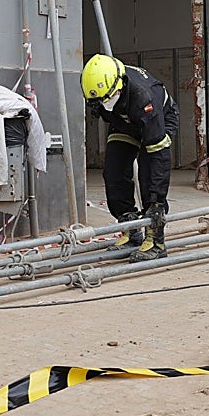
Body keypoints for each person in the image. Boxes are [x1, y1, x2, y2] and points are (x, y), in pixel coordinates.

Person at [81, 54, 179, 261]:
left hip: (156, 119)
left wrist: (157, 203)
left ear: (120, 86)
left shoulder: (144, 97)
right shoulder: (101, 90)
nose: (104, 105)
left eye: (107, 99)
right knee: (114, 171)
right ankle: (130, 228)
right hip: (124, 121)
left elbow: (159, 160)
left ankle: (155, 238)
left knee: (148, 171)